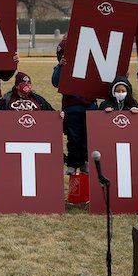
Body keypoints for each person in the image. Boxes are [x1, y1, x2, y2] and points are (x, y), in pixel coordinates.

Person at [52, 39, 97, 177]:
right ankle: (72, 163)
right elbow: (55, 82)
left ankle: (84, 161)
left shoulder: (89, 65)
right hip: (72, 107)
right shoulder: (61, 68)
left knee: (87, 137)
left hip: (89, 106)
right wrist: (60, 66)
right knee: (74, 138)